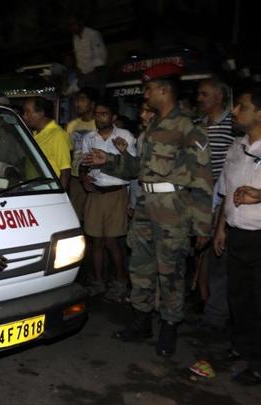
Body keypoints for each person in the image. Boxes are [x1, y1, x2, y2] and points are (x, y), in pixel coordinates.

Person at [83, 63, 213, 357]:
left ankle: (169, 326)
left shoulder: (187, 128)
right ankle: (141, 321)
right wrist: (109, 160)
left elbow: (203, 178)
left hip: (173, 209)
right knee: (140, 266)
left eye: (149, 88)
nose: (146, 93)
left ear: (164, 90)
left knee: (170, 272)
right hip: (144, 206)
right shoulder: (152, 128)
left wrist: (203, 225)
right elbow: (137, 170)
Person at [213, 85, 261, 386]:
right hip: (236, 234)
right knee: (239, 297)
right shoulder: (235, 147)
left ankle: (258, 362)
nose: (234, 111)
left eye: (241, 106)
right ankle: (242, 347)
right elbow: (225, 191)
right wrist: (220, 228)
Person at [80, 98, 136, 301]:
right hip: (95, 193)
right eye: (97, 114)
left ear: (113, 117)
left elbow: (133, 168)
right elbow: (83, 164)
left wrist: (132, 201)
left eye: (104, 114)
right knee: (95, 241)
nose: (99, 117)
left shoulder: (125, 136)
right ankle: (98, 282)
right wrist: (84, 176)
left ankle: (120, 282)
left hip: (116, 193)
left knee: (112, 242)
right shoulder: (89, 137)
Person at [196, 77, 236, 330]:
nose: (200, 98)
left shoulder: (234, 128)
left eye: (205, 94)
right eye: (199, 95)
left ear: (219, 97)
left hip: (221, 201)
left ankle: (217, 311)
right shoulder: (198, 126)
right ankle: (204, 302)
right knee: (202, 254)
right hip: (199, 199)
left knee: (218, 257)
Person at [22, 97, 71, 189]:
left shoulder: (57, 135)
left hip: (48, 191)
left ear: (41, 113)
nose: (24, 116)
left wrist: (59, 196)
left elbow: (65, 170)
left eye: (27, 112)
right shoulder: (35, 134)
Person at [67, 87, 98, 220]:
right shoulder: (72, 125)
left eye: (82, 100)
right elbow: (70, 151)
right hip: (75, 177)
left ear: (92, 103)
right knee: (75, 216)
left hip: (93, 176)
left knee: (92, 217)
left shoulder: (99, 124)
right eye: (77, 100)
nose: (77, 103)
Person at [69, 14, 107, 94]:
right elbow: (78, 56)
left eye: (74, 24)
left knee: (96, 96)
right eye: (70, 25)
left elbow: (100, 56)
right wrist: (79, 71)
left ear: (81, 23)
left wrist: (95, 73)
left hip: (95, 74)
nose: (72, 27)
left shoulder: (93, 34)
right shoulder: (75, 39)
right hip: (83, 75)